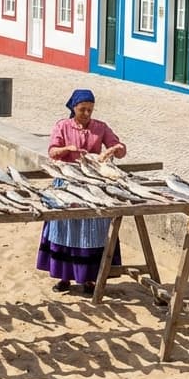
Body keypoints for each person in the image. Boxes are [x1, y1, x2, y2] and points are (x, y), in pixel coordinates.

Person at [37, 89, 127, 294]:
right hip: (67, 183)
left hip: (92, 185)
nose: (86, 113)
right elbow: (52, 152)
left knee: (92, 232)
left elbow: (118, 147)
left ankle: (89, 278)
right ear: (73, 108)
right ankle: (64, 277)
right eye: (82, 109)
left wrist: (116, 149)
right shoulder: (62, 126)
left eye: (90, 110)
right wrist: (67, 149)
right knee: (65, 230)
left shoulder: (100, 127)